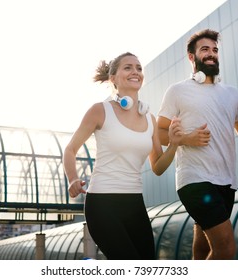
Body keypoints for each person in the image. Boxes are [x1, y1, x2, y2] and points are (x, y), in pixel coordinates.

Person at [63, 52, 181, 260]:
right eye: (128, 67)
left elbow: (158, 167)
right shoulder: (100, 111)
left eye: (138, 68)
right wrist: (72, 178)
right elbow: (70, 150)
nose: (135, 72)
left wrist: (173, 144)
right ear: (113, 79)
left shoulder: (150, 119)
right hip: (102, 204)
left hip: (134, 203)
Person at [157, 29, 238, 260]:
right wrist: (185, 138)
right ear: (192, 57)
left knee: (203, 250)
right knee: (225, 249)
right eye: (205, 49)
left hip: (226, 181)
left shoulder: (231, 93)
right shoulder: (177, 91)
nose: (212, 54)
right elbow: (159, 133)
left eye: (215, 50)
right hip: (194, 180)